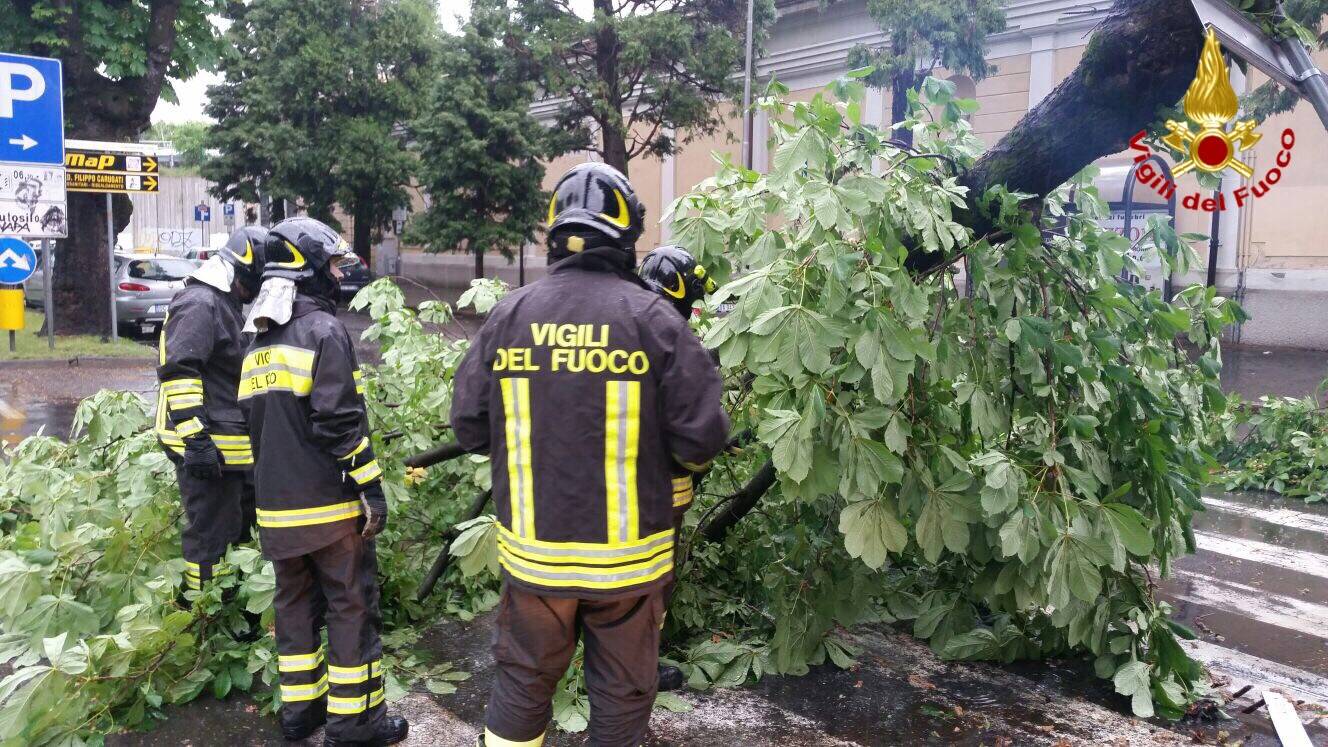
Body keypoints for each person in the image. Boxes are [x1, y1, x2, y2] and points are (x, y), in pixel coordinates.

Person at [451, 163, 731, 747]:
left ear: (554, 234)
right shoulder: (657, 322)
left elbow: (470, 428)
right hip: (630, 566)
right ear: (627, 239)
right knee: (622, 696)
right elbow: (701, 440)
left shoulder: (508, 315)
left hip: (535, 562)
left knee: (523, 685)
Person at [238, 217, 407, 746]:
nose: (338, 274)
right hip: (329, 512)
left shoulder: (256, 346)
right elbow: (339, 422)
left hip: (277, 514)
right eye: (333, 265)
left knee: (293, 608)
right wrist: (370, 487)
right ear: (308, 270)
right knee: (351, 607)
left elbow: (254, 430)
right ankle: (356, 723)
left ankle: (300, 713)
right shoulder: (324, 332)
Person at [155, 226, 267, 608]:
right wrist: (196, 441)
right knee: (211, 537)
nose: (255, 292)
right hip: (206, 447)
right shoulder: (201, 304)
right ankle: (201, 616)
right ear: (239, 272)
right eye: (255, 281)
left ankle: (227, 608)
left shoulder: (223, 305)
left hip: (228, 448)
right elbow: (180, 371)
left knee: (234, 531)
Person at [635, 244, 718, 692]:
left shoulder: (627, 326)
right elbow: (698, 442)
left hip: (613, 489)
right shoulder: (676, 341)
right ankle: (639, 668)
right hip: (662, 496)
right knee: (653, 584)